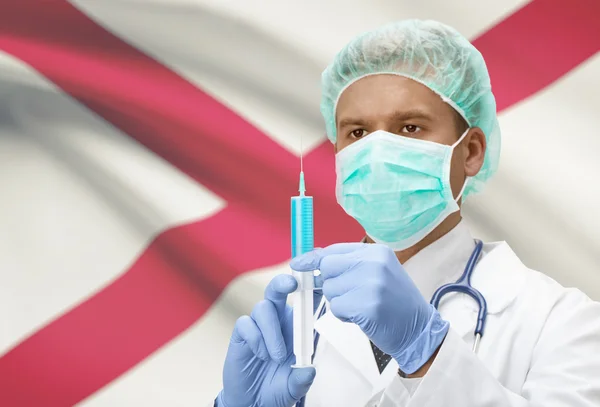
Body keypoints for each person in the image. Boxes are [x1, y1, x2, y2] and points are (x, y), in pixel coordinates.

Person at [212, 19, 600, 407]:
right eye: (357, 133)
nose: (378, 150)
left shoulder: (563, 322)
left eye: (410, 127)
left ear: (471, 151)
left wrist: (427, 353)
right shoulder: (298, 325)